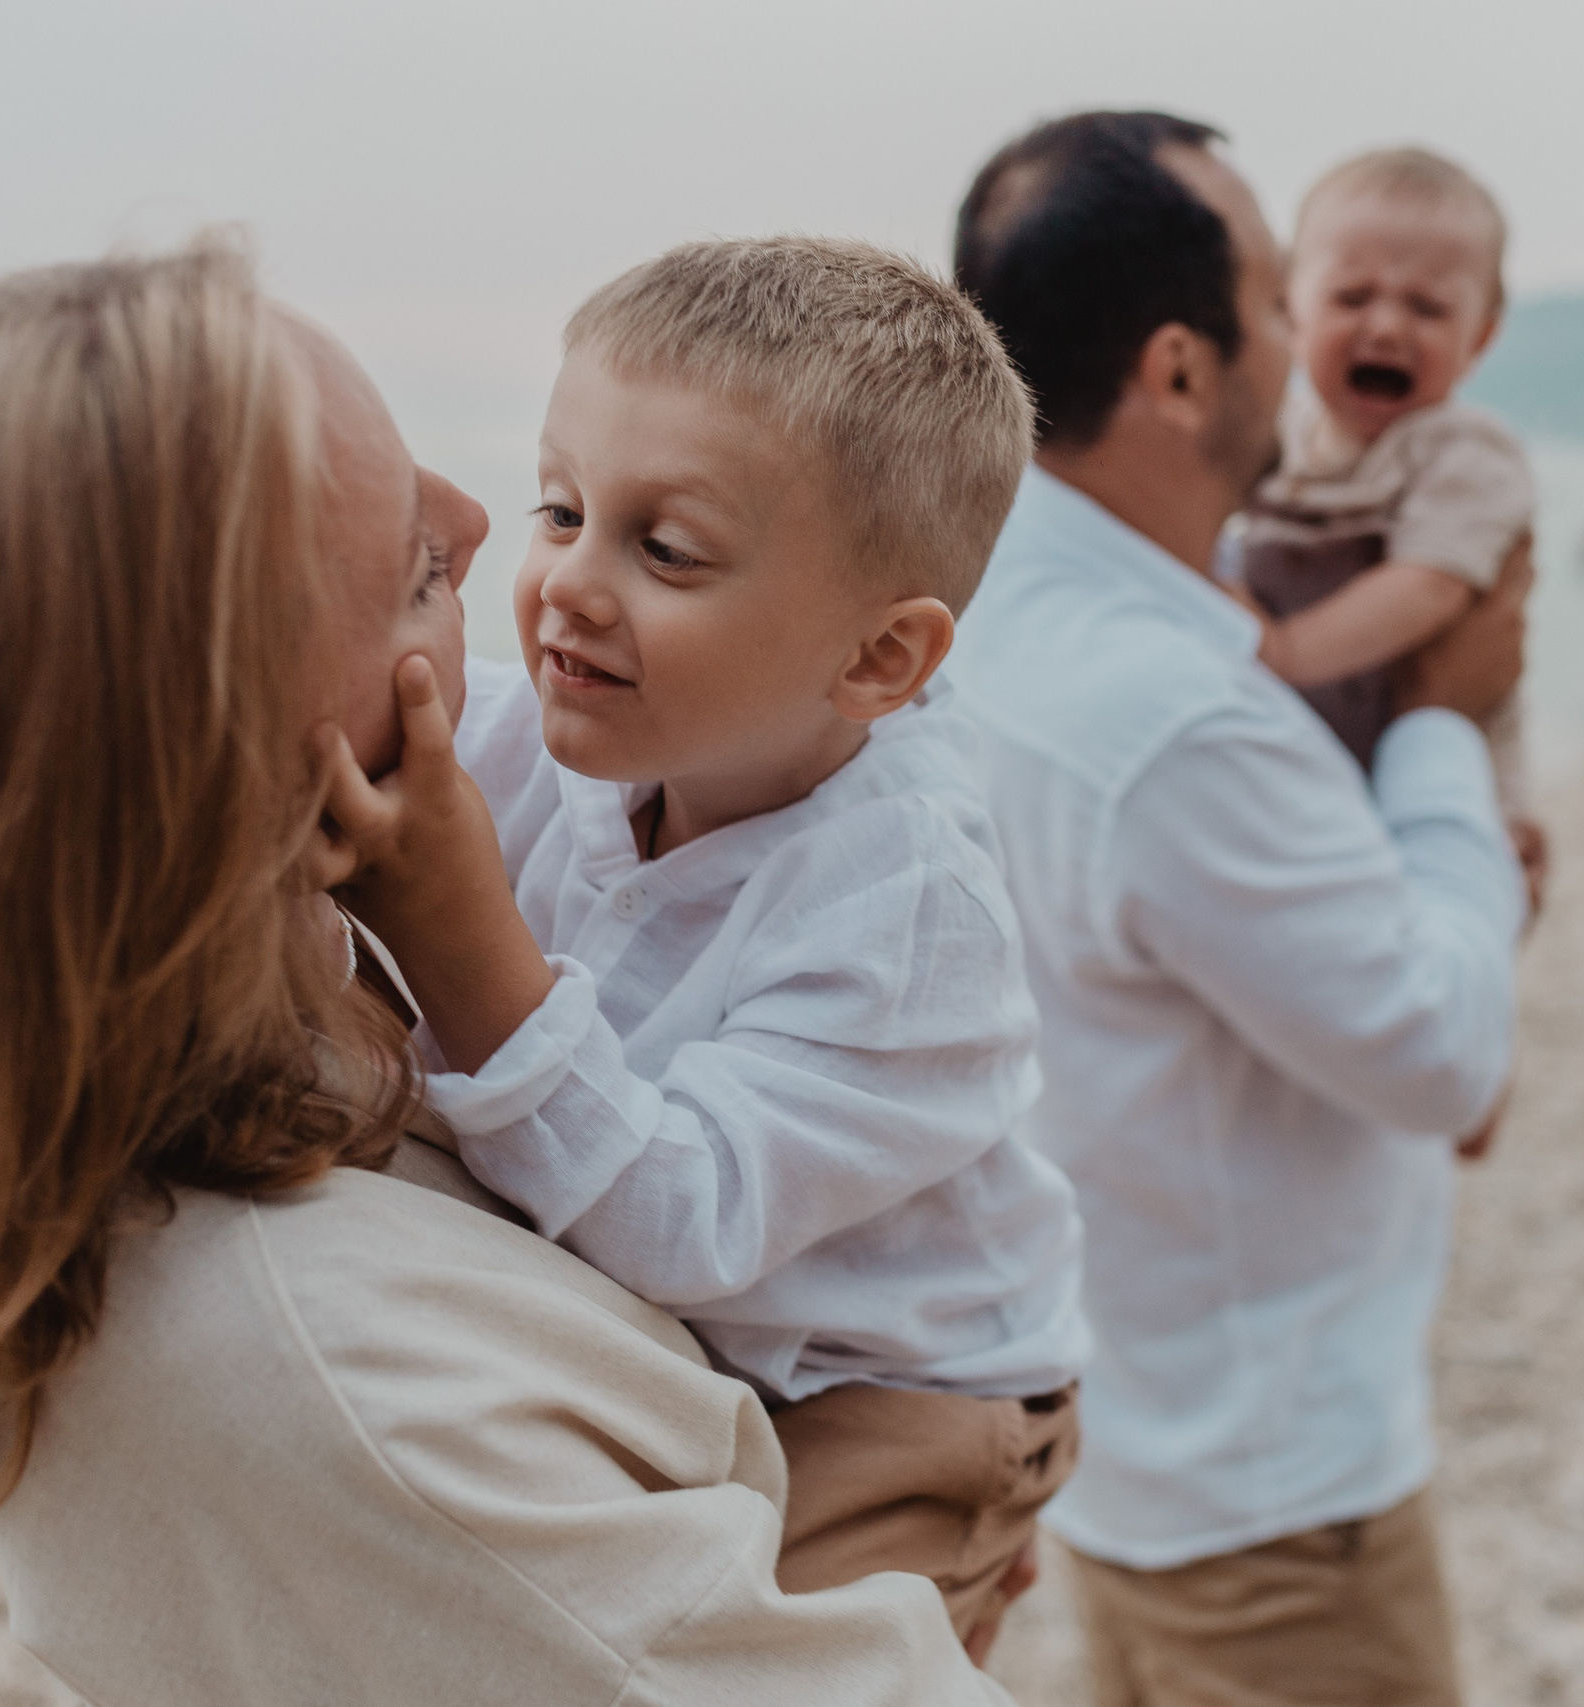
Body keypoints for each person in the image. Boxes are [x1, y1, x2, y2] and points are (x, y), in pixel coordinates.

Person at [0, 241, 1015, 1705]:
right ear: (217, 771)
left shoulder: (286, 1050)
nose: (492, 532)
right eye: (422, 572)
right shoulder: (339, 1381)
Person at [318, 236, 1087, 1652]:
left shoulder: (907, 907)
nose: (569, 586)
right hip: (682, 1330)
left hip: (890, 1387)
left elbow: (688, 1215)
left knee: (763, 1660)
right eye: (561, 509)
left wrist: (459, 928)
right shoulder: (553, 727)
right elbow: (334, 739)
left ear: (876, 662)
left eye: (664, 548)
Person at [948, 112, 1530, 1705]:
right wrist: (1442, 716)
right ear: (1182, 370)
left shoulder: (976, 615)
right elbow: (1440, 1054)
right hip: (1275, 1492)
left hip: (1126, 1432)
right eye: (1282, 300)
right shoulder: (1179, 712)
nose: (1305, 342)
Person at [1225, 148, 1541, 863]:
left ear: (1480, 338)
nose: (1389, 327)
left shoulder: (1466, 453)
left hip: (1434, 755)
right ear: (1290, 306)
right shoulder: (1279, 434)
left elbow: (1429, 586)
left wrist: (1284, 649)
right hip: (1316, 746)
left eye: (1428, 307)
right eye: (1352, 297)